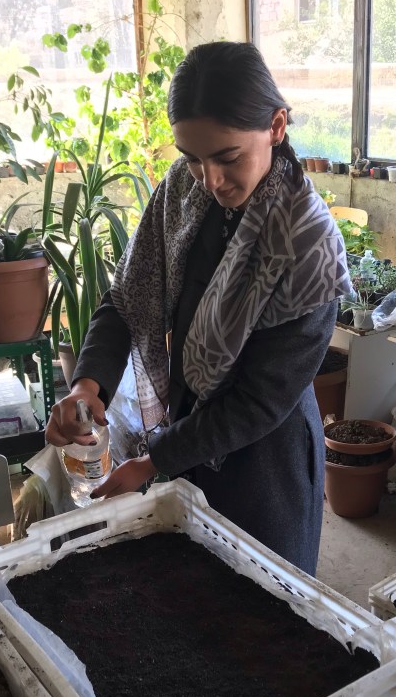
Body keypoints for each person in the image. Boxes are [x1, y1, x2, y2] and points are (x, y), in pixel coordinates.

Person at [45, 41, 352, 575]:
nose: (210, 180)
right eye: (192, 158)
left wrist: (155, 460)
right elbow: (128, 299)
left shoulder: (308, 244)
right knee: (191, 582)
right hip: (187, 434)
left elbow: (258, 402)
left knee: (261, 596)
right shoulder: (181, 193)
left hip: (265, 462)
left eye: (227, 157)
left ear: (276, 126)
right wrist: (87, 386)